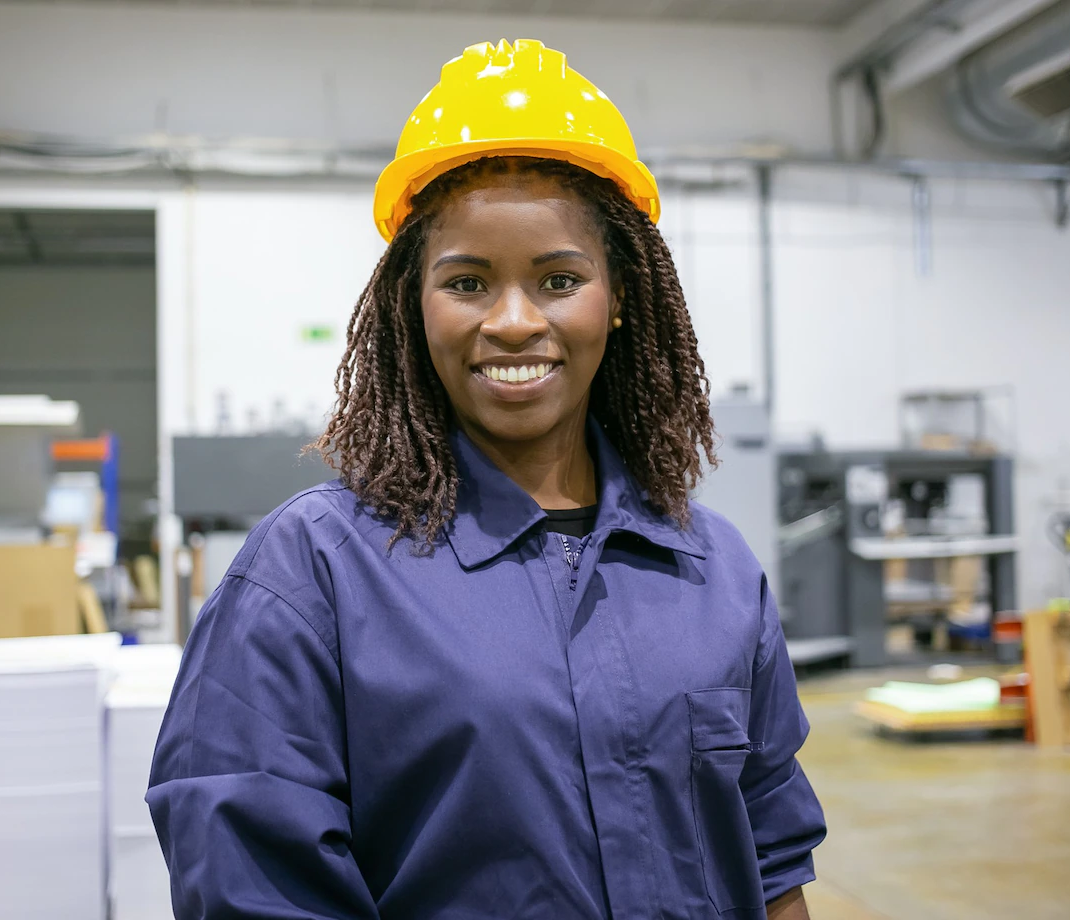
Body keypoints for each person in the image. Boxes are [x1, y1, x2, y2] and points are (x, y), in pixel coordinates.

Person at [148, 38, 826, 920]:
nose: (514, 322)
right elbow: (251, 884)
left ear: (618, 298)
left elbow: (771, 862)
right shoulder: (313, 573)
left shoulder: (715, 571)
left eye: (558, 279)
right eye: (467, 281)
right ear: (414, 304)